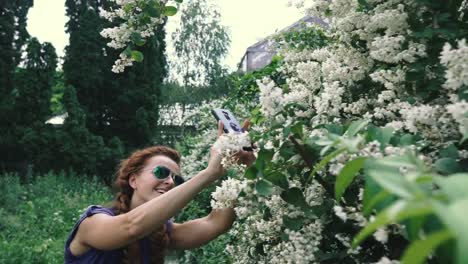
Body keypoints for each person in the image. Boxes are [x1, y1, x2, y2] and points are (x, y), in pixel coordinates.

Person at [64, 121, 255, 264]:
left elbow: (215, 223)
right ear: (133, 180)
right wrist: (209, 173)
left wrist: (246, 167)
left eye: (176, 179)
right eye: (161, 172)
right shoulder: (93, 223)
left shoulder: (161, 233)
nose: (170, 182)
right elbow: (130, 228)